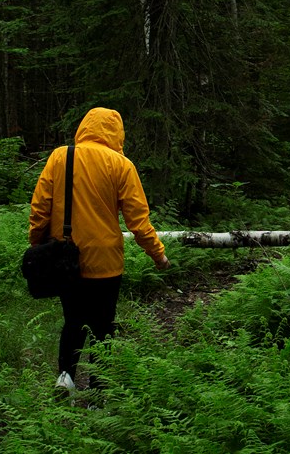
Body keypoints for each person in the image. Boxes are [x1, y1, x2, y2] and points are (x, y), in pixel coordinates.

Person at [29, 107, 170, 392]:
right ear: (117, 133)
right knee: (103, 327)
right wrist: (158, 254)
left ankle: (65, 377)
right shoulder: (121, 165)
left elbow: (40, 207)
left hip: (66, 259)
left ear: (84, 127)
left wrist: (38, 243)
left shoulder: (61, 156)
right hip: (106, 261)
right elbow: (138, 221)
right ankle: (97, 393)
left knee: (72, 320)